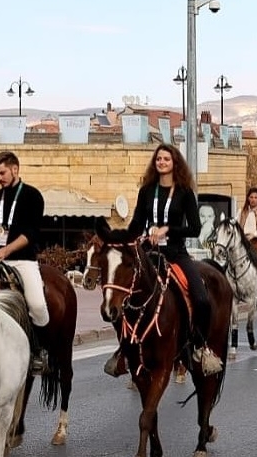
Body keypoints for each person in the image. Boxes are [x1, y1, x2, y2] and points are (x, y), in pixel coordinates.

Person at [97, 143, 222, 375]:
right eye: (158, 159)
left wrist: (167, 230)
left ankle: (200, 347)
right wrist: (119, 237)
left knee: (201, 298)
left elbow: (194, 228)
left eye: (166, 159)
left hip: (175, 254)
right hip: (147, 255)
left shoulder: (184, 192)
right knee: (120, 296)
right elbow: (135, 224)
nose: (162, 162)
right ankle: (124, 349)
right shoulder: (146, 191)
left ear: (175, 163)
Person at [0, 151, 49, 374]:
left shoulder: (33, 196)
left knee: (38, 305)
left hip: (23, 260)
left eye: (2, 173)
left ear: (15, 169)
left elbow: (30, 233)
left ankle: (39, 350)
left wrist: (6, 250)